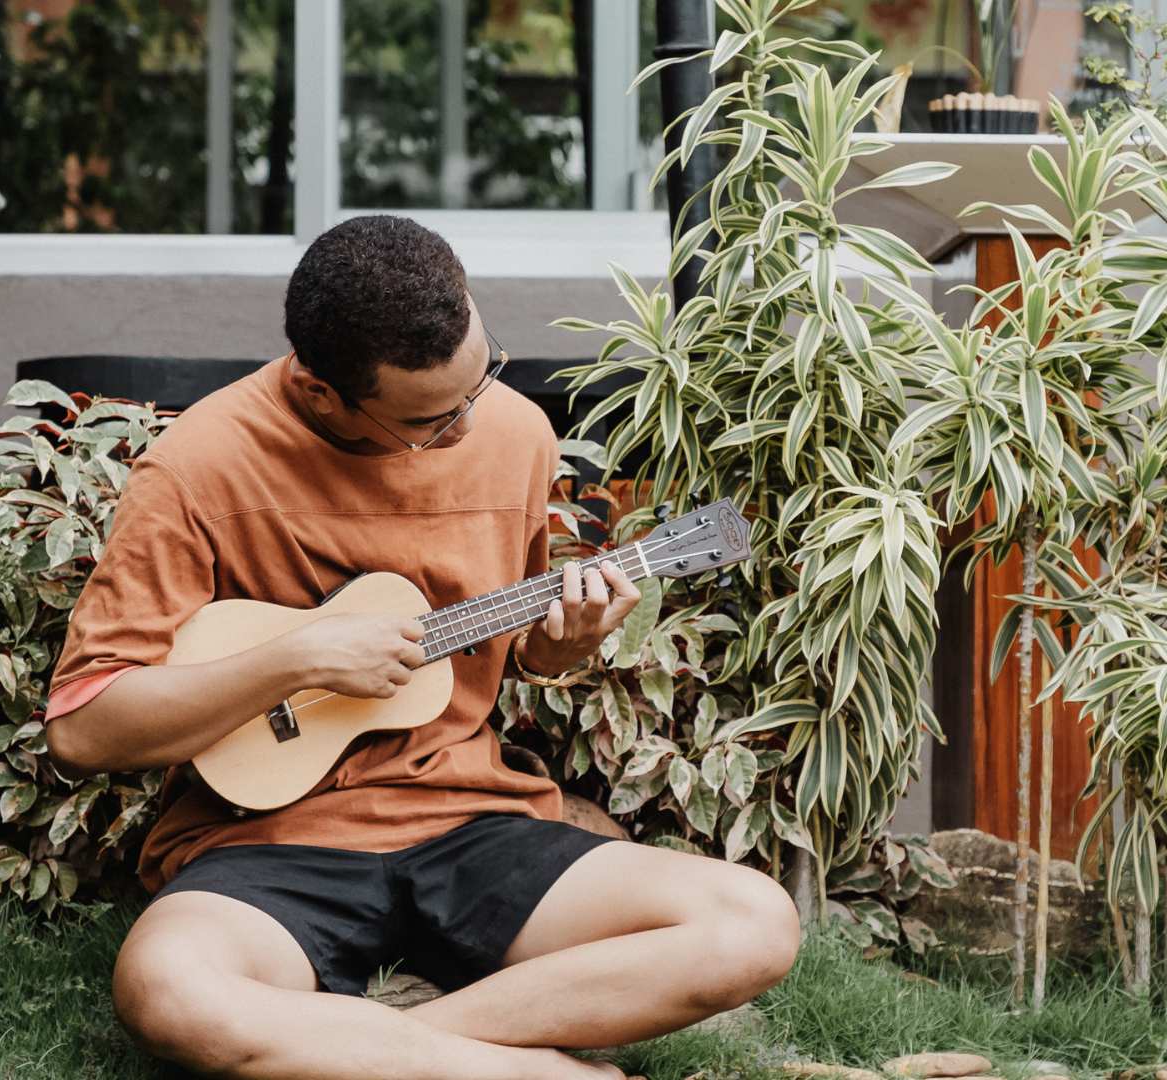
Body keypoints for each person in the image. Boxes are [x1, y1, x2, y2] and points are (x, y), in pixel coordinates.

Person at [42, 214, 801, 1079]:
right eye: (434, 421)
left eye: (483, 380)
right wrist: (300, 660)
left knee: (753, 923)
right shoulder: (199, 467)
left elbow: (518, 655)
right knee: (167, 991)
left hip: (471, 824)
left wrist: (566, 648)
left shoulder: (514, 433)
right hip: (267, 845)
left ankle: (401, 1046)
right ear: (323, 391)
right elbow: (84, 727)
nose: (471, 426)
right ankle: (529, 1071)